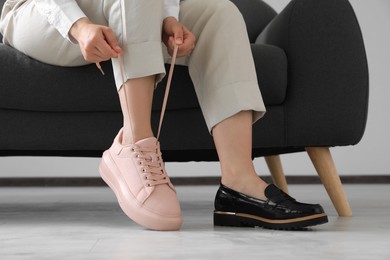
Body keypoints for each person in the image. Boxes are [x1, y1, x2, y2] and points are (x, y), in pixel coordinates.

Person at [0, 0, 328, 231]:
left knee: (219, 12)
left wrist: (167, 19)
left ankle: (239, 184)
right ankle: (134, 143)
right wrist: (79, 27)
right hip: (37, 13)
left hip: (122, 6)